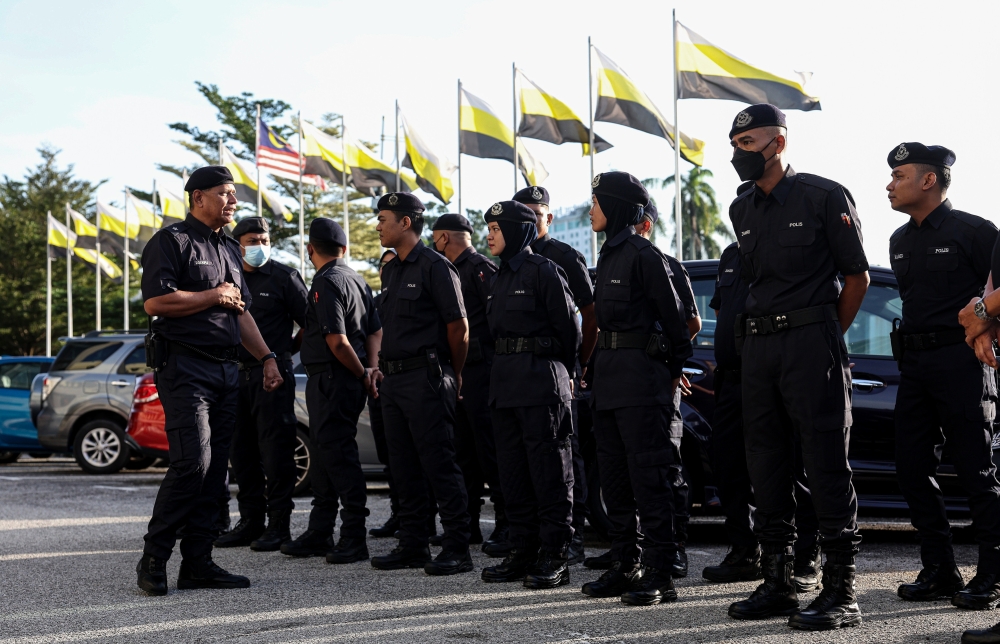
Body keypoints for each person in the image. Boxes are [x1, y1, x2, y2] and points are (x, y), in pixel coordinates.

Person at [725, 104, 869, 631]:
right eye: (735, 143)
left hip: (812, 343)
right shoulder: (742, 209)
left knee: (827, 466)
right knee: (765, 467)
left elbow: (857, 278)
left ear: (778, 143)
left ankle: (841, 591)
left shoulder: (823, 196)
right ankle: (779, 582)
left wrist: (825, 333)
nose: (739, 152)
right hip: (759, 350)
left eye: (749, 142)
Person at [136, 165, 284, 596]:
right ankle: (154, 557)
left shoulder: (227, 248)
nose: (233, 202)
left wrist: (268, 357)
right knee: (192, 464)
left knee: (217, 471)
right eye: (224, 193)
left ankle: (198, 563)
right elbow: (156, 301)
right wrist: (212, 295)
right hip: (185, 369)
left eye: (234, 194)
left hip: (227, 370)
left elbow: (242, 313)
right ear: (198, 197)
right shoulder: (172, 241)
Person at [887, 143, 1000, 611]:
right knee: (911, 468)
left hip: (962, 363)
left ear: (929, 180)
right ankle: (940, 569)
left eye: (899, 174)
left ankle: (991, 576)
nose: (889, 183)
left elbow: (995, 297)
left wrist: (987, 329)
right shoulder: (898, 240)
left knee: (977, 470)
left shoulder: (976, 231)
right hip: (914, 367)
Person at [581, 171, 692, 607]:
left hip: (642, 387)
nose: (591, 210)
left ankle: (660, 573)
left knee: (651, 482)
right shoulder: (608, 255)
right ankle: (625, 565)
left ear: (618, 207)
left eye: (596, 202)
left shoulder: (645, 256)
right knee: (615, 483)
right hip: (609, 383)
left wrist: (665, 379)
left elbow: (678, 330)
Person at [701, 239, 822, 590]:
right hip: (731, 380)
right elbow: (722, 311)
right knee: (729, 467)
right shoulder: (730, 255)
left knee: (791, 469)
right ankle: (745, 553)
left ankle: (804, 558)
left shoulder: (785, 249)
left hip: (776, 378)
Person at [478, 200, 581, 589]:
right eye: (487, 228)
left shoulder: (544, 270)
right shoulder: (498, 276)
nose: (489, 235)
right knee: (513, 474)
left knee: (551, 472)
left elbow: (571, 330)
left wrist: (567, 372)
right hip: (505, 385)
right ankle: (521, 551)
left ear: (518, 231)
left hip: (541, 382)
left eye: (496, 229)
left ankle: (555, 555)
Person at [370, 192, 473, 576]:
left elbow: (459, 328)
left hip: (427, 377)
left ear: (406, 222)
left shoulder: (435, 266)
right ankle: (412, 545)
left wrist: (454, 372)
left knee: (439, 462)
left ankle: (457, 547)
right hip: (394, 379)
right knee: (404, 467)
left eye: (383, 219)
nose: (378, 226)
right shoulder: (392, 269)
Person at [281, 218, 382, 564]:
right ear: (345, 248)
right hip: (344, 379)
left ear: (310, 249)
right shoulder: (358, 279)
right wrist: (370, 368)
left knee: (338, 455)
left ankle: (354, 535)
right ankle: (320, 530)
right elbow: (374, 333)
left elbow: (337, 342)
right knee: (326, 453)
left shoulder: (325, 282)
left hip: (333, 378)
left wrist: (361, 373)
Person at [214, 217, 308, 553]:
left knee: (276, 452)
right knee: (241, 453)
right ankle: (250, 521)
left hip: (272, 376)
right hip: (234, 375)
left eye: (264, 240)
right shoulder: (226, 279)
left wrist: (283, 353)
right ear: (237, 244)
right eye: (253, 240)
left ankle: (279, 525)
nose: (259, 246)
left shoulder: (284, 276)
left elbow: (309, 322)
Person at [515, 186, 596, 564]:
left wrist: (578, 366)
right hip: (524, 378)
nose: (531, 218)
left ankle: (573, 533)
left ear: (550, 218)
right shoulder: (510, 259)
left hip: (560, 371)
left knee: (567, 453)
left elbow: (588, 316)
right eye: (523, 212)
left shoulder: (564, 256)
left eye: (537, 212)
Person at [432, 214, 500, 547]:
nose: (434, 245)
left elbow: (496, 322)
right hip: (459, 373)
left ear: (444, 238)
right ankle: (468, 524)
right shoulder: (448, 270)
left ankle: (506, 524)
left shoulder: (480, 268)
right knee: (463, 454)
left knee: (491, 451)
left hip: (483, 373)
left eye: (435, 239)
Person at [367, 250, 401, 539]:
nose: (388, 270)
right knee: (389, 455)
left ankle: (421, 520)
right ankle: (398, 513)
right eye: (384, 266)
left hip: (409, 384)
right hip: (381, 387)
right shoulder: (374, 303)